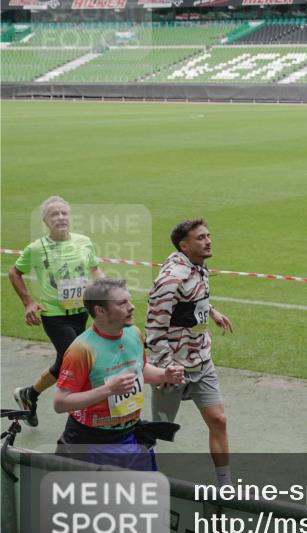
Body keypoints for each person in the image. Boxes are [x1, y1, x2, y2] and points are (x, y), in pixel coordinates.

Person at [52, 278, 184, 470]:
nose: (131, 307)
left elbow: (140, 370)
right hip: (91, 443)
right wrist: (108, 390)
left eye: (129, 301)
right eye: (122, 303)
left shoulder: (134, 333)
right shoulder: (81, 349)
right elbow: (60, 403)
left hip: (131, 436)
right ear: (100, 311)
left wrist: (165, 375)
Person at [146, 219, 234, 487]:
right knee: (159, 431)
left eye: (208, 235)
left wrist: (212, 311)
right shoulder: (171, 278)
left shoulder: (198, 267)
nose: (208, 241)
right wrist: (165, 368)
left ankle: (225, 485)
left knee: (218, 420)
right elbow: (154, 327)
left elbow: (194, 299)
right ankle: (140, 476)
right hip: (174, 367)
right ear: (184, 245)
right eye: (200, 238)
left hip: (201, 359)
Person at [9, 196, 103, 427]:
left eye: (64, 213)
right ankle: (86, 415)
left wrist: (104, 288)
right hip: (55, 316)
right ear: (45, 220)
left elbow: (95, 269)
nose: (60, 217)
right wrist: (28, 303)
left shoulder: (84, 242)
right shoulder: (36, 248)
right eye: (54, 214)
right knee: (80, 359)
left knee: (64, 362)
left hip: (81, 313)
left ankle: (29, 394)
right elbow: (14, 272)